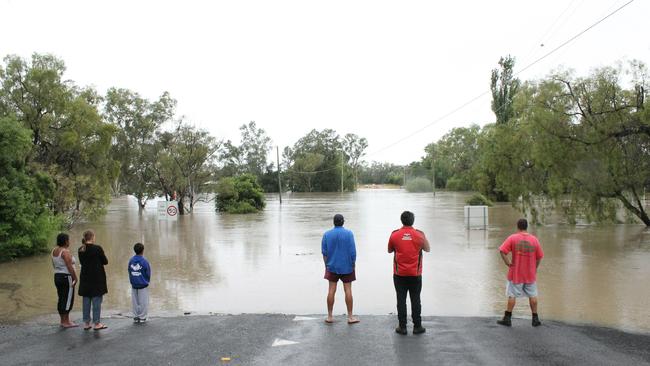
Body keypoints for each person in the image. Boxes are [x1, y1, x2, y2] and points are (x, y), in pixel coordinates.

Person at [388, 211, 430, 335]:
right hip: (415, 274)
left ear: (402, 220)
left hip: (399, 274)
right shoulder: (420, 235)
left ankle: (402, 327)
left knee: (401, 299)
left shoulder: (394, 235)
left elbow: (389, 250)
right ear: (413, 221)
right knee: (416, 299)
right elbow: (428, 249)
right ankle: (417, 326)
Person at [497, 218, 544, 327]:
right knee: (533, 295)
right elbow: (540, 257)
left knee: (512, 295)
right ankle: (535, 319)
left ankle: (507, 319)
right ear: (526, 227)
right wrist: (535, 268)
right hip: (530, 274)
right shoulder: (534, 240)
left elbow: (502, 251)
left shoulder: (513, 238)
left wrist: (508, 263)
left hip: (516, 273)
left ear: (517, 226)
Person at [322, 214, 359, 324]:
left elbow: (324, 253)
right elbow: (353, 252)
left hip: (332, 266)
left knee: (331, 290)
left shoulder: (327, 234)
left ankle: (329, 316)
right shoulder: (349, 234)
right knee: (348, 290)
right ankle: (350, 317)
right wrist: (353, 263)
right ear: (343, 222)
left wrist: (326, 265)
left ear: (334, 222)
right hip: (347, 266)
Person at [78, 230, 109, 330]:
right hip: (96, 278)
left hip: (85, 277)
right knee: (96, 301)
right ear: (92, 237)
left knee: (86, 300)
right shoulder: (97, 248)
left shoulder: (81, 249)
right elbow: (105, 261)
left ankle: (86, 323)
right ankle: (97, 323)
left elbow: (82, 262)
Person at [52, 233, 79, 328]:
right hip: (66, 277)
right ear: (66, 241)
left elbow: (54, 264)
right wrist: (75, 278)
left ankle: (62, 320)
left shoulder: (54, 251)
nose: (69, 241)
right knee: (68, 299)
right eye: (69, 240)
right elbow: (69, 266)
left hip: (57, 276)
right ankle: (66, 321)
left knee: (61, 297)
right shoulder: (65, 252)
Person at [128, 242, 151, 323]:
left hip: (134, 284)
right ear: (143, 251)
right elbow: (148, 273)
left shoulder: (131, 260)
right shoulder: (144, 261)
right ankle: (142, 317)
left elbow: (129, 271)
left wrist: (132, 280)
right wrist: (146, 281)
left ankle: (136, 316)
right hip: (142, 284)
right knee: (143, 302)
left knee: (135, 301)